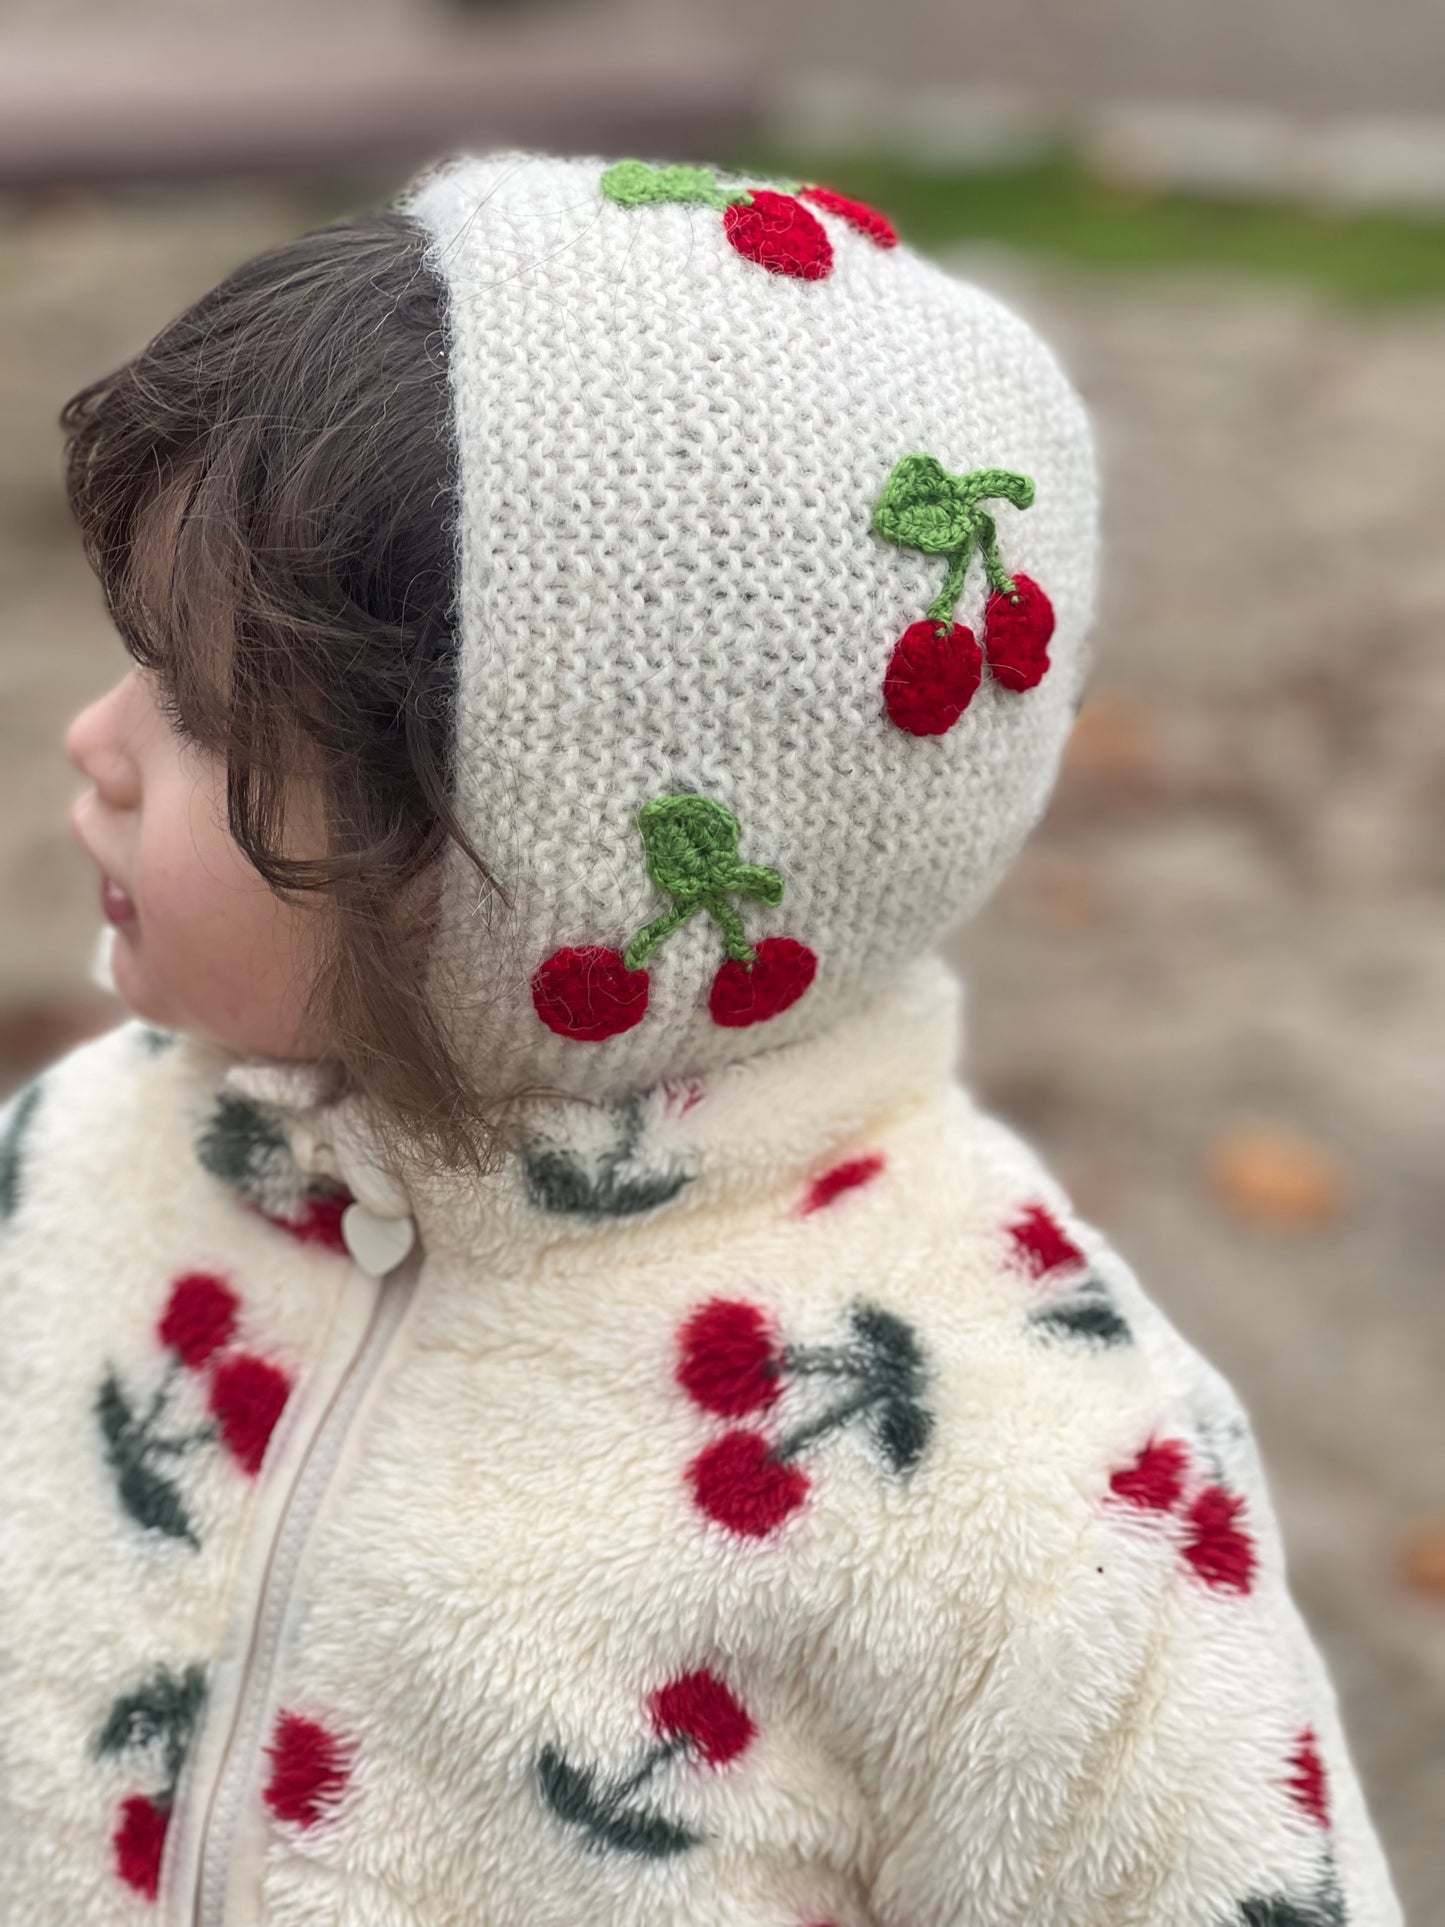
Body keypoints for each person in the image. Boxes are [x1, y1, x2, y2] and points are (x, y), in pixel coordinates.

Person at [0, 150, 1400, 1926]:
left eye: (204, 713)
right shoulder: (75, 1168)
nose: (91, 742)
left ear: (542, 859)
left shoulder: (1022, 1492)